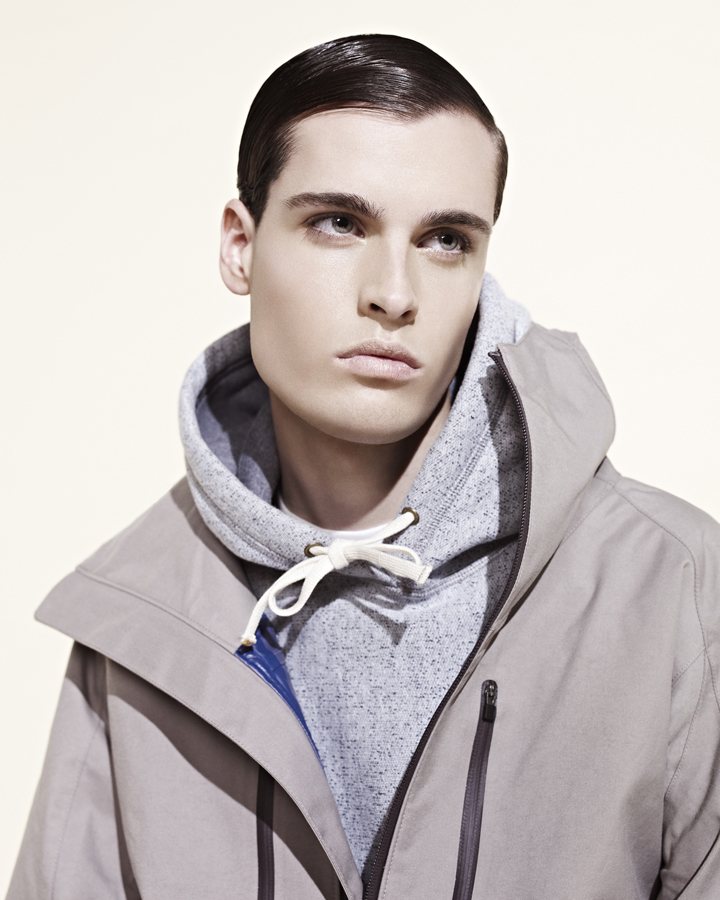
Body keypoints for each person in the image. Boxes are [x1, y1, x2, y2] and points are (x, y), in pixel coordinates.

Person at [7, 32, 720, 900]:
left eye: (446, 239)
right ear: (240, 246)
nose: (394, 293)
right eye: (339, 223)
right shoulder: (139, 616)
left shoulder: (668, 586)